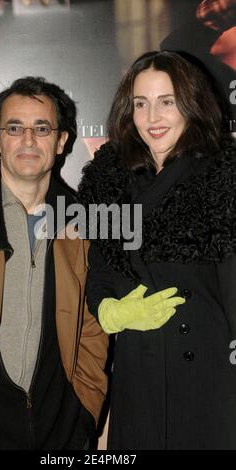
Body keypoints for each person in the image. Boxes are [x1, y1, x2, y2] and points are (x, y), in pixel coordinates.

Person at [78, 50, 236, 449]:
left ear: (191, 104)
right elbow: (97, 272)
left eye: (167, 102)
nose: (153, 118)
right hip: (140, 370)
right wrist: (109, 311)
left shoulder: (223, 176)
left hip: (212, 376)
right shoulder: (107, 179)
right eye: (141, 104)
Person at [0, 76, 108, 450]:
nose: (29, 140)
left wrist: (85, 410)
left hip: (61, 432)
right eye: (15, 128)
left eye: (42, 128)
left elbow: (93, 326)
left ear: (61, 140)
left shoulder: (84, 221)